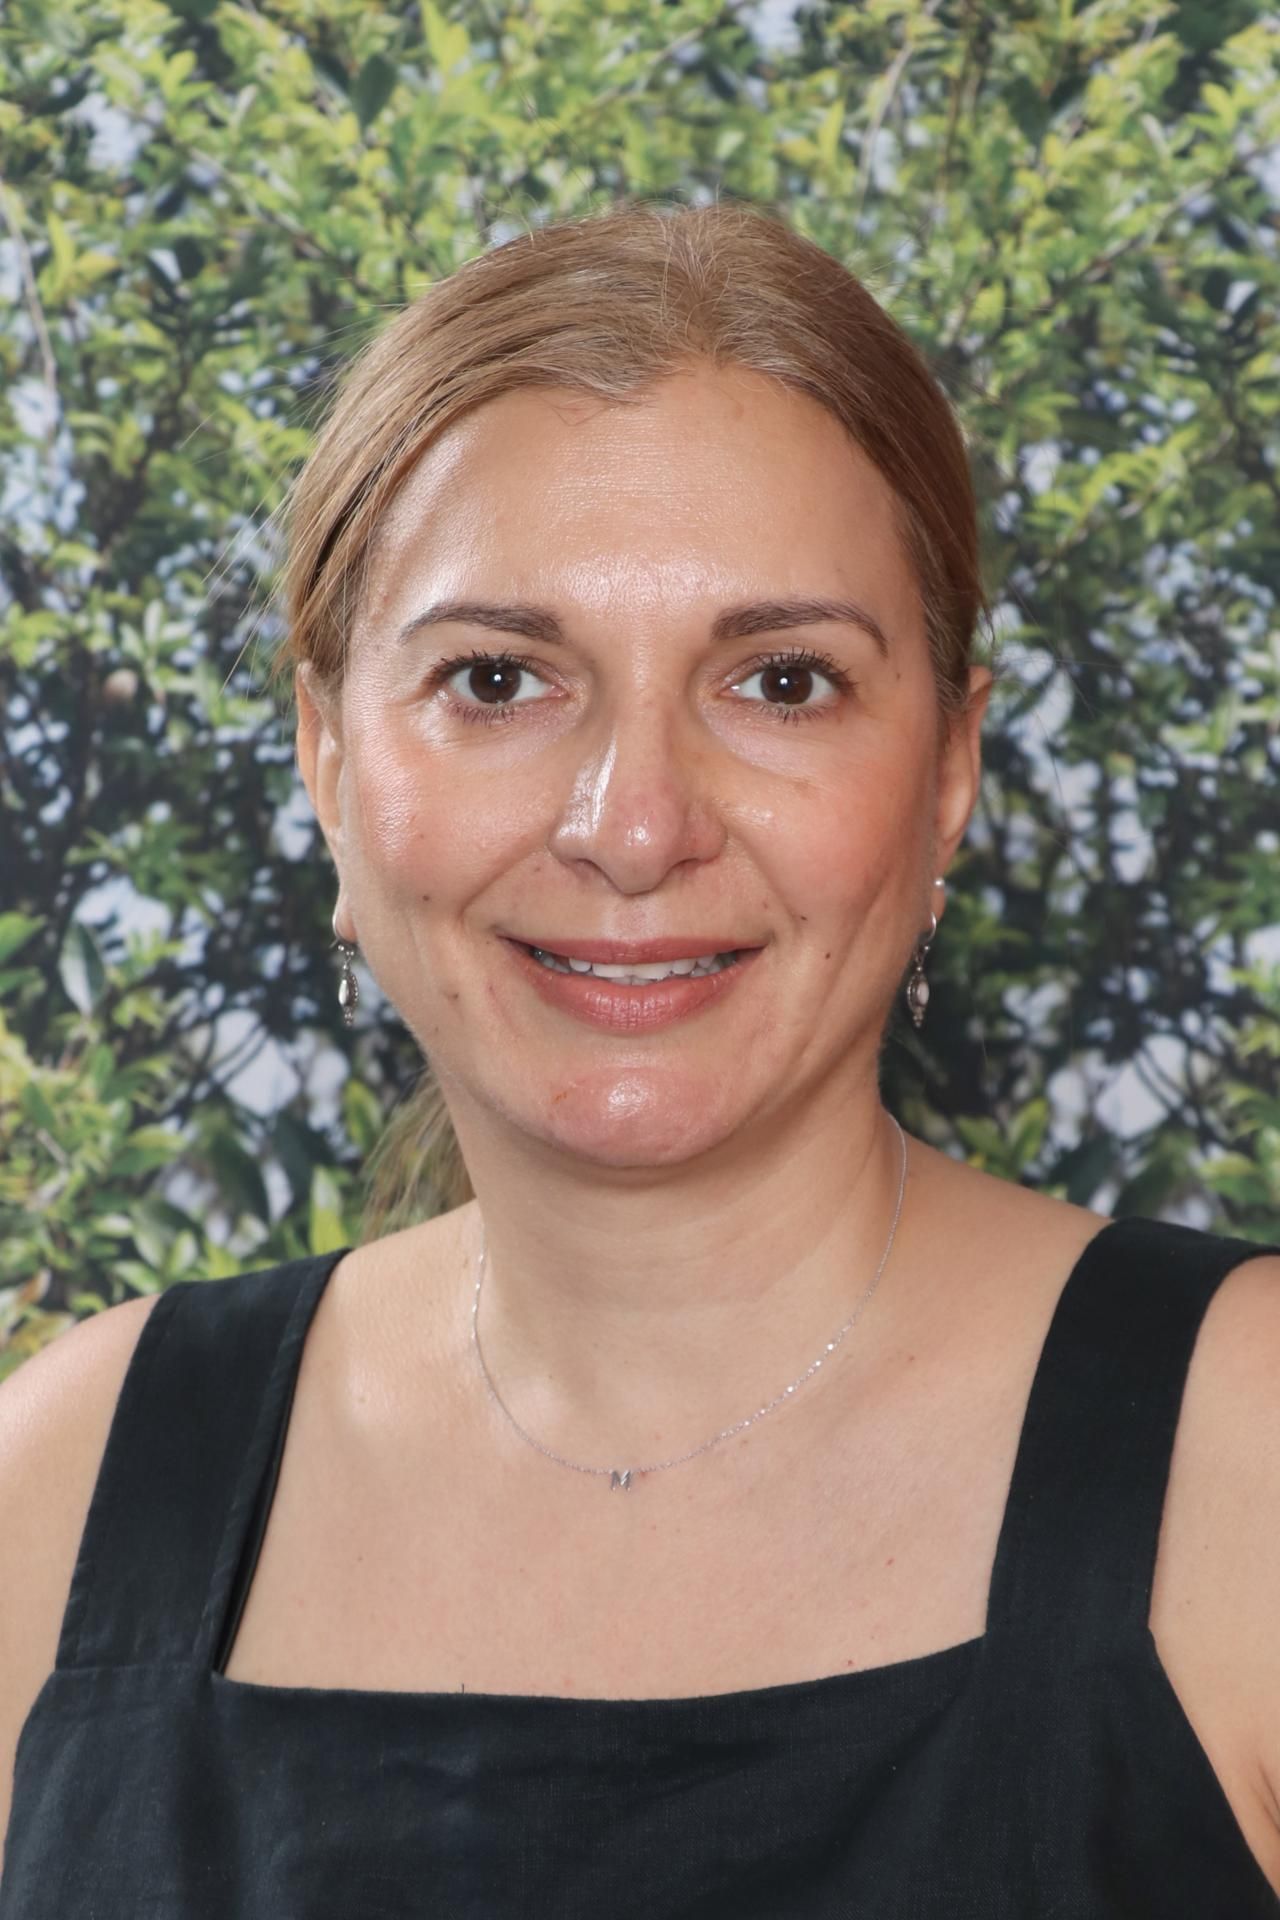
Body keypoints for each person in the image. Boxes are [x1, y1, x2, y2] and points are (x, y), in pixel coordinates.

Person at [1, 198, 1278, 1918]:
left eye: (782, 682)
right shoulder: (65, 1499)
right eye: (499, 680)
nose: (634, 824)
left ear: (950, 770)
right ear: (327, 756)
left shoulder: (1253, 1459)